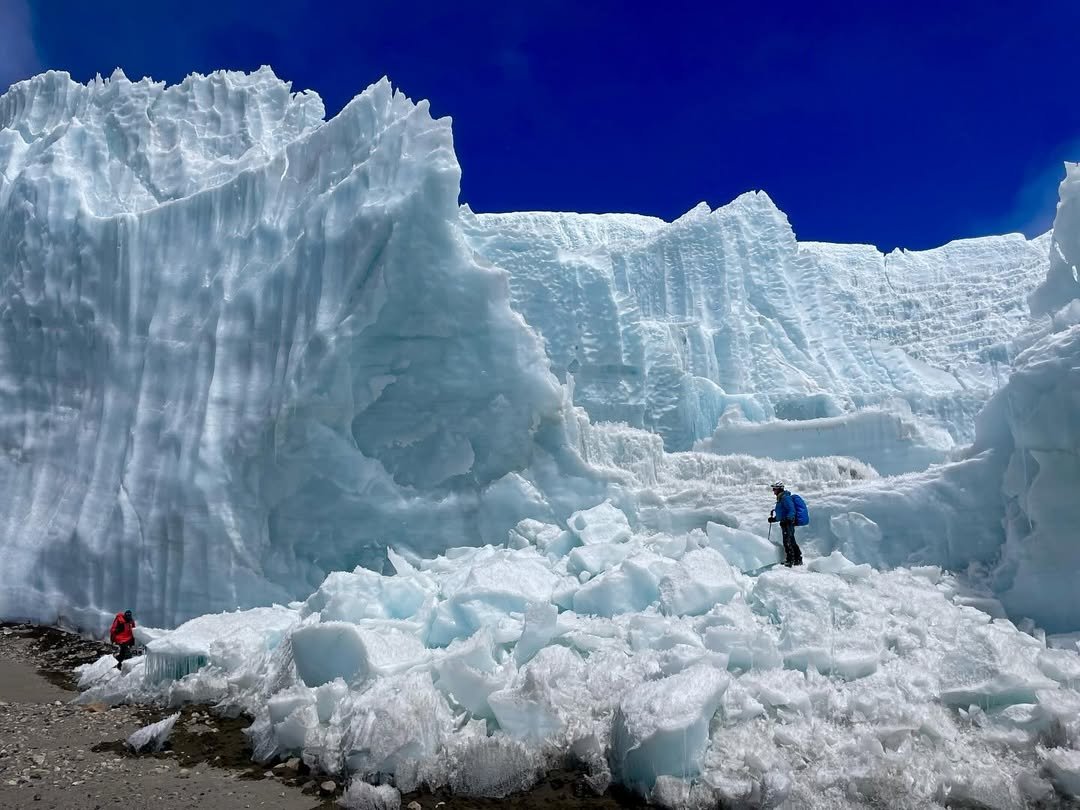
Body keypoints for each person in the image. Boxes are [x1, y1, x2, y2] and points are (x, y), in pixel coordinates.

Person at [768, 482, 803, 567]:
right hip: (785, 522)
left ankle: (790, 560)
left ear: (779, 489)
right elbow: (782, 513)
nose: (773, 491)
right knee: (791, 540)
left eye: (774, 489)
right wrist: (774, 519)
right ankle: (797, 559)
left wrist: (788, 519)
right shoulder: (781, 498)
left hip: (788, 523)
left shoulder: (785, 498)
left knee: (787, 541)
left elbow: (792, 510)